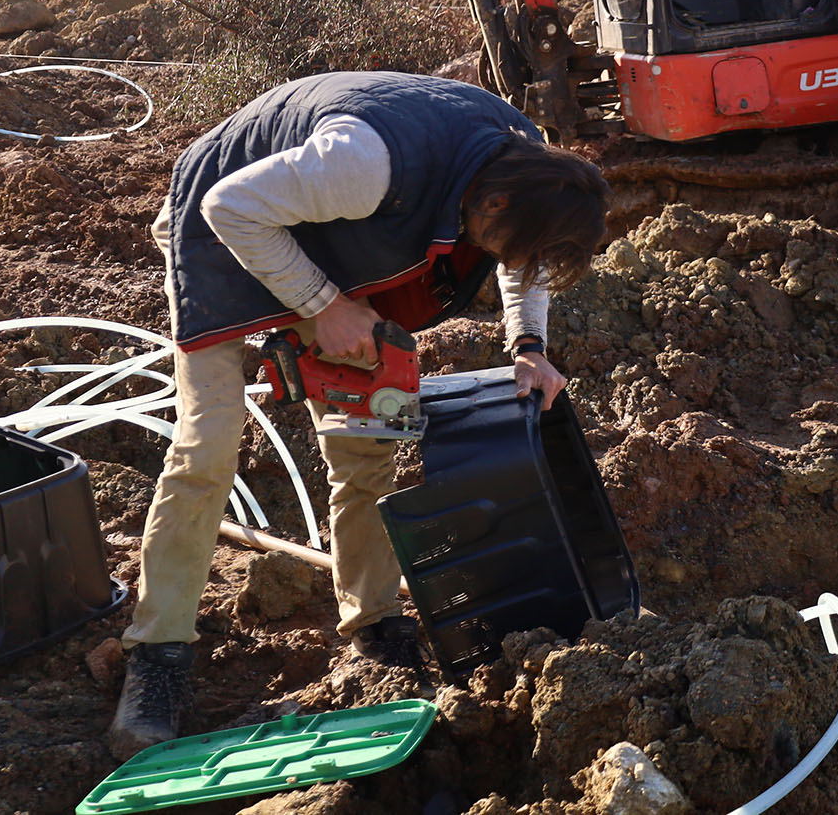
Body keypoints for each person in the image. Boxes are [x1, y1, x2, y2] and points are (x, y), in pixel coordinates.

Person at [109, 70, 608, 758]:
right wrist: (324, 305)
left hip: (323, 234)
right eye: (509, 243)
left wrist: (528, 345)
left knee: (371, 437)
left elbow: (526, 260)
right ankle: (157, 655)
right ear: (490, 202)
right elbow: (231, 207)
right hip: (220, 221)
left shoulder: (527, 165)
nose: (511, 262)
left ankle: (374, 624)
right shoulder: (366, 164)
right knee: (209, 444)